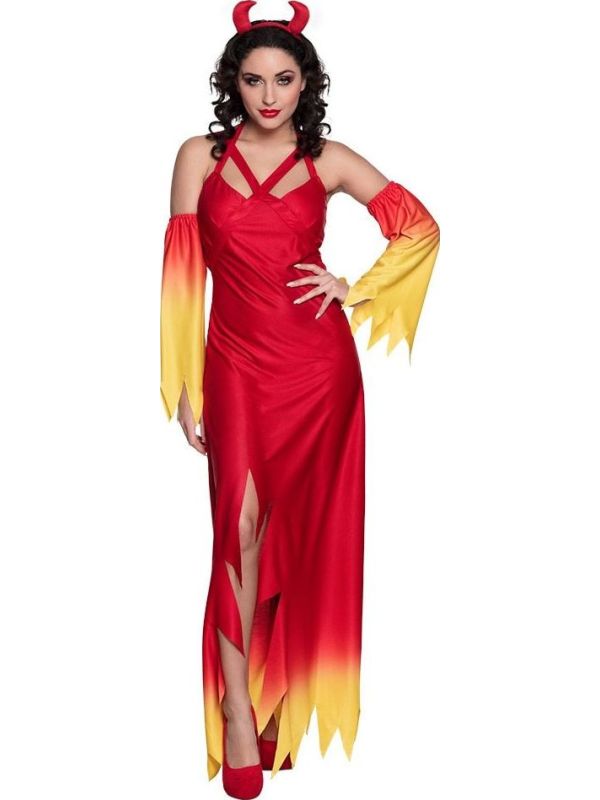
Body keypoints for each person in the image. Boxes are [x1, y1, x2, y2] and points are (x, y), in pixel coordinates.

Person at [159, 2, 440, 797]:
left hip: (318, 374)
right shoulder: (198, 157)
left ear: (307, 84)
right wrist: (183, 379)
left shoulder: (329, 161)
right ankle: (238, 711)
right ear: (232, 84)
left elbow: (419, 227)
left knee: (304, 537)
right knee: (238, 531)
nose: (269, 96)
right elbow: (181, 275)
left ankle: (279, 699)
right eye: (253, 81)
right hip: (235, 367)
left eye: (284, 80)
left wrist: (356, 289)